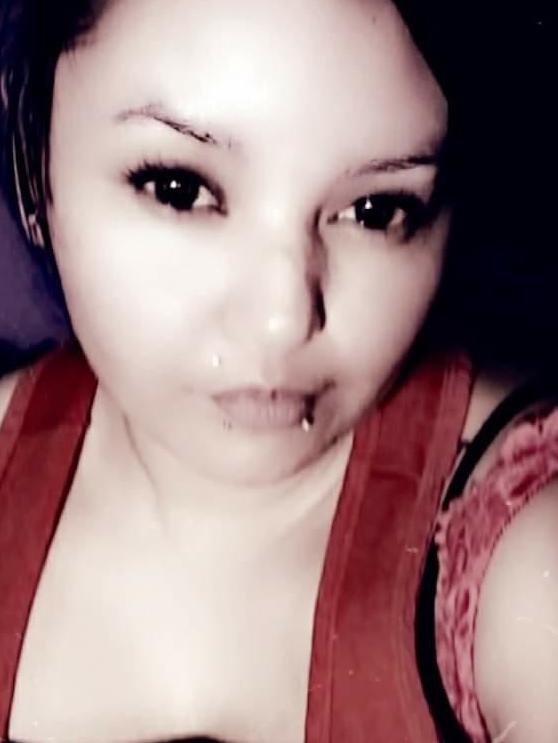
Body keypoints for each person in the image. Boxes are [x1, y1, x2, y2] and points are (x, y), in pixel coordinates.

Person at [0, 1, 556, 741]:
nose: (283, 319)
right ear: (31, 153)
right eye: (179, 188)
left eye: (376, 209)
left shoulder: (517, 541)